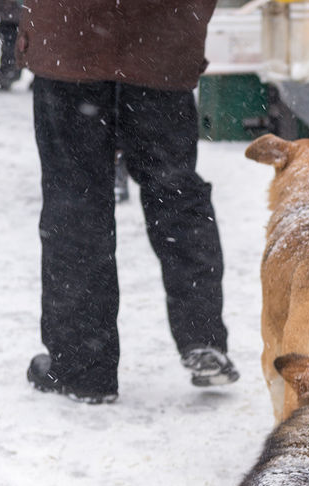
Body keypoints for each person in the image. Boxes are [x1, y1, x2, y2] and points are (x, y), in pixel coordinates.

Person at [19, 0, 238, 404]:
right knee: (174, 192)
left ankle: (84, 368)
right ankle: (202, 337)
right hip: (160, 42)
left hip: (72, 40)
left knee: (76, 200)